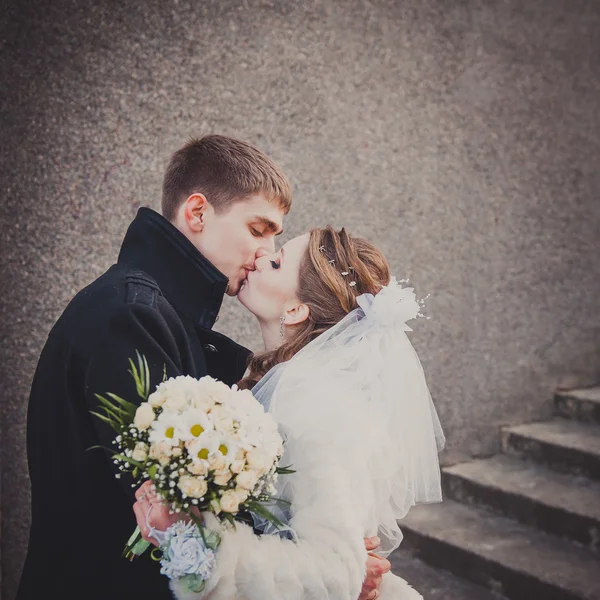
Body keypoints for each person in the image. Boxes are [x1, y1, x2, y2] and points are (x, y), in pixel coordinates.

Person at [17, 135, 388, 600]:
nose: (263, 251)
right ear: (197, 213)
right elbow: (169, 504)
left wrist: (331, 556)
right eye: (258, 229)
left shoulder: (164, 317)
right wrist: (331, 571)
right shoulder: (132, 316)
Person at [134, 226, 445, 599]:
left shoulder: (314, 401)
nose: (261, 257)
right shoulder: (277, 380)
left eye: (277, 262)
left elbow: (334, 569)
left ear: (296, 310)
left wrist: (196, 544)